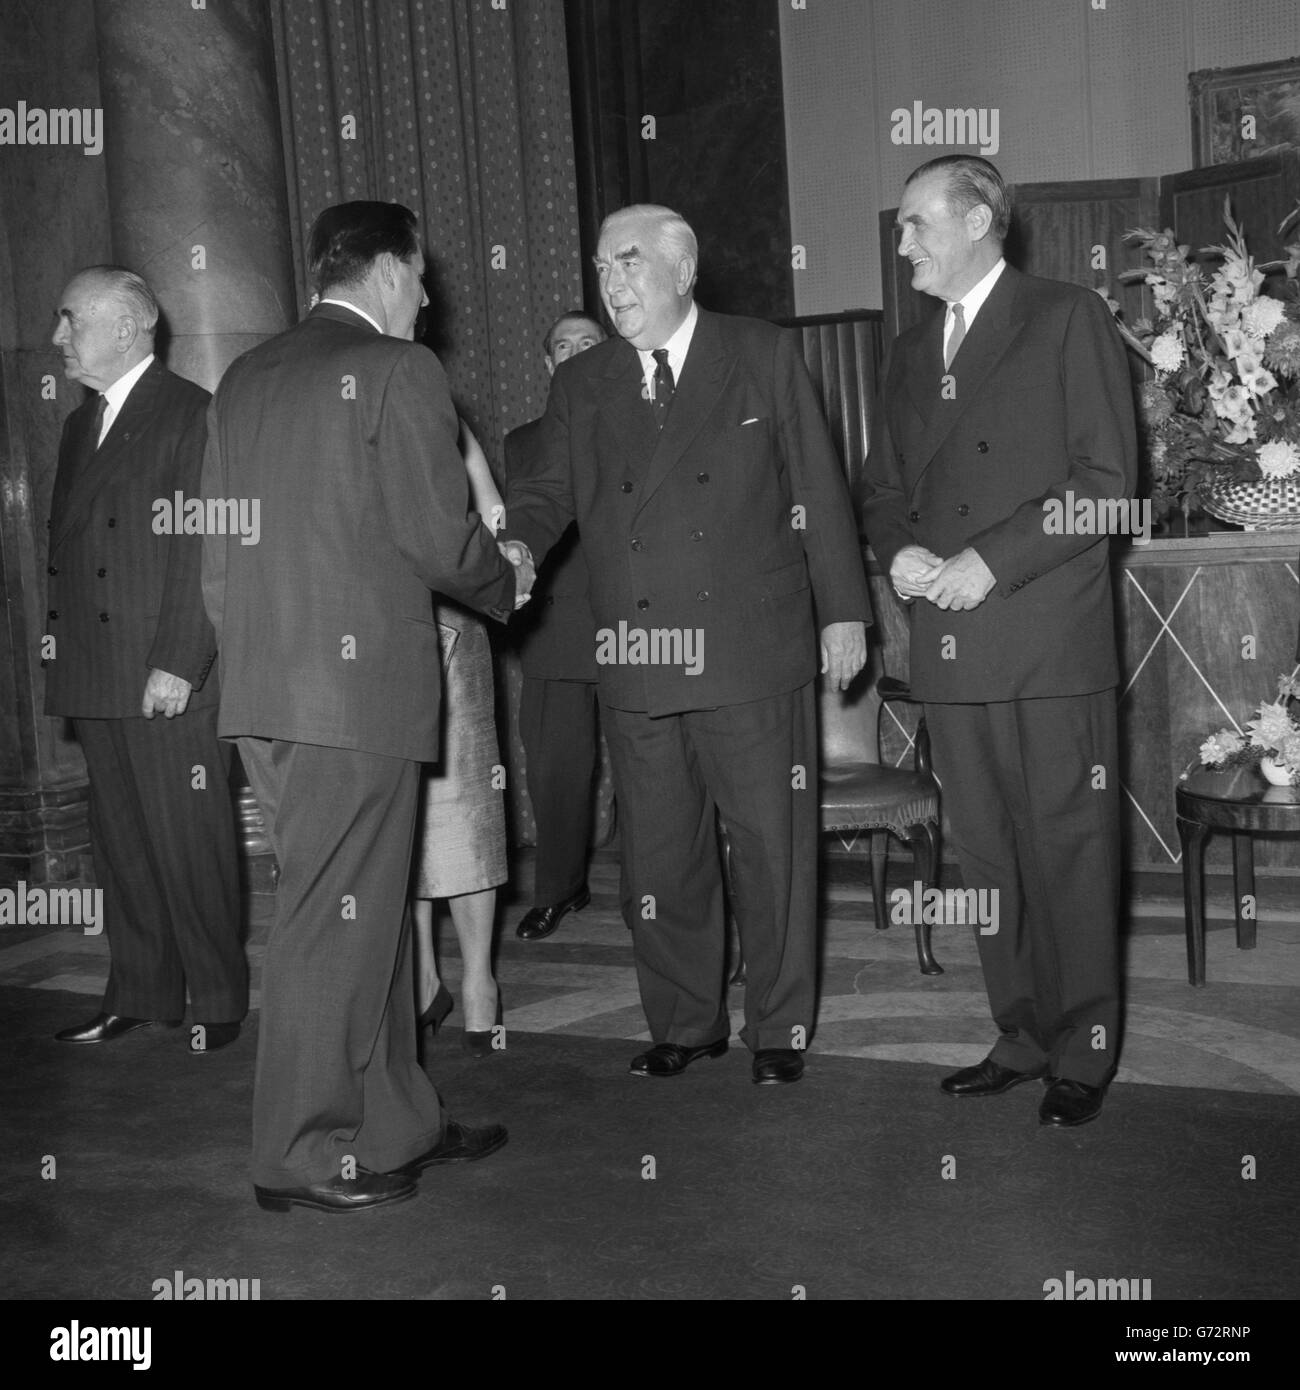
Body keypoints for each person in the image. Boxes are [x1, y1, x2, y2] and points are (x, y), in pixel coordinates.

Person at [201, 201, 532, 1213]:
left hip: (268, 693)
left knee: (371, 910)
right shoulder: (397, 371)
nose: (427, 299)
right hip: (353, 696)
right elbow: (440, 536)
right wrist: (505, 576)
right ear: (390, 269)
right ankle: (299, 1154)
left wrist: (255, 670)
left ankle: (393, 1123)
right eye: (422, 277)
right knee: (325, 925)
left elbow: (216, 553)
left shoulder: (245, 376)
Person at [503, 204, 870, 1086]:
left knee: (770, 847)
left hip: (750, 644)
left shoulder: (762, 352)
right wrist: (515, 545)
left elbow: (818, 489)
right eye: (601, 266)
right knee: (662, 852)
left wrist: (844, 611)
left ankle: (777, 1029)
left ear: (684, 267)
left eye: (628, 261)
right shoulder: (582, 383)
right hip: (635, 652)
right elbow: (546, 493)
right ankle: (686, 1020)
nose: (612, 281)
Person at [863, 156, 1137, 1127]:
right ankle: (1018, 1033)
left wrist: (990, 558)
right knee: (984, 855)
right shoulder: (904, 354)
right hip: (949, 642)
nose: (900, 247)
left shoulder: (1065, 318)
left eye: (914, 224)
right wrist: (896, 548)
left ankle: (1085, 1050)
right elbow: (882, 486)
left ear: (979, 219)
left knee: (1068, 845)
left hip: (1045, 635)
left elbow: (1108, 482)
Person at [46, 266, 246, 1052]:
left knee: (187, 839)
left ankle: (220, 998)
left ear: (128, 326)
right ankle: (143, 991)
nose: (59, 338)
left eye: (71, 320)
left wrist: (179, 660)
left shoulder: (191, 413)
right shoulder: (75, 425)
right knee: (121, 845)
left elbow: (208, 548)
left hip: (163, 670)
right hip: (96, 666)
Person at [410, 421, 509, 1059]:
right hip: (372, 624)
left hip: (449, 619)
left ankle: (479, 982)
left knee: (466, 803)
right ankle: (421, 978)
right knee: (400, 810)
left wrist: (496, 550)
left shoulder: (434, 406)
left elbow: (493, 512)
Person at [508, 311, 607, 942]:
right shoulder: (522, 442)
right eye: (561, 347)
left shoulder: (639, 416)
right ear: (547, 365)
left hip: (636, 627)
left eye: (587, 344)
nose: (573, 355)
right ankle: (560, 888)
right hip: (556, 623)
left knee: (657, 769)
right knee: (554, 768)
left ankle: (661, 896)